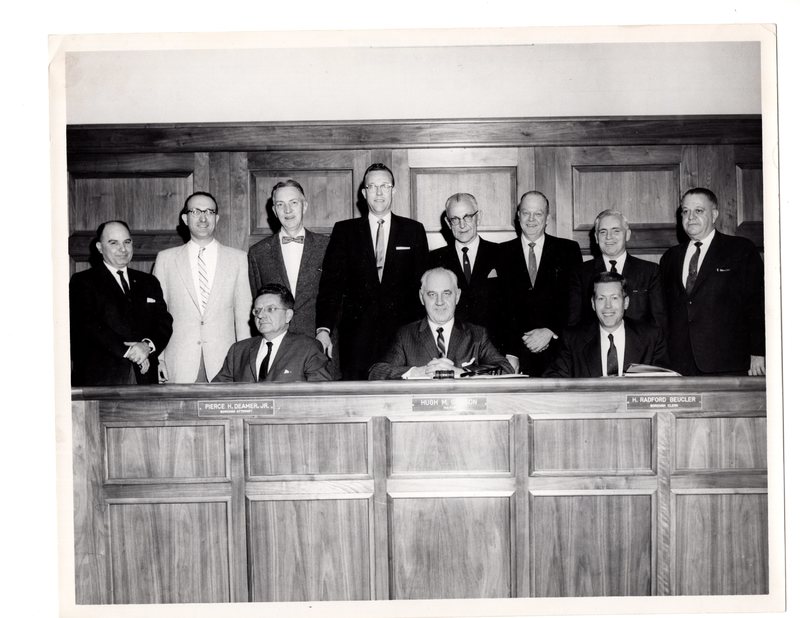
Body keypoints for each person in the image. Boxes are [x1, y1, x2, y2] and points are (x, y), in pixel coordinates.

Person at [316, 163, 429, 380]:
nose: (379, 192)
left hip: (403, 340)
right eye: (373, 186)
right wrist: (323, 329)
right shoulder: (344, 231)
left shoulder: (413, 230)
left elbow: (423, 287)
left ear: (393, 190)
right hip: (356, 340)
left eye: (384, 186)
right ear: (364, 192)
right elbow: (331, 286)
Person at [659, 188, 765, 376]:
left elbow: (757, 304)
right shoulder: (670, 258)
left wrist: (758, 352)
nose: (690, 217)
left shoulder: (740, 250)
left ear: (714, 214)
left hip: (728, 363)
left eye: (699, 211)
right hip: (680, 365)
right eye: (685, 211)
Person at [153, 192, 252, 383]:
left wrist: (244, 362)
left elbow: (243, 315)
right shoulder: (166, 259)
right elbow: (158, 315)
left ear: (217, 218)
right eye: (196, 211)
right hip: (178, 362)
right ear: (185, 218)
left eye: (209, 211)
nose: (203, 217)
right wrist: (159, 359)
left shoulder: (238, 259)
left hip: (225, 362)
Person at [70, 220, 173, 385]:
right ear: (99, 247)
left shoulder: (148, 282)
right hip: (101, 381)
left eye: (127, 242)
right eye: (113, 243)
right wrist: (131, 351)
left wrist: (147, 346)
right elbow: (89, 326)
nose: (123, 249)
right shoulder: (83, 282)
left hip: (145, 378)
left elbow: (164, 322)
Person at [368, 267, 513, 380]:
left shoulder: (477, 334)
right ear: (421, 297)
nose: (439, 301)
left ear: (457, 296)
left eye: (446, 293)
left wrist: (461, 372)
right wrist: (418, 372)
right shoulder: (406, 335)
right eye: (432, 294)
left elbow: (506, 368)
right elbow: (376, 372)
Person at [497, 191, 582, 376]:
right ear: (518, 216)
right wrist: (511, 352)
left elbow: (576, 303)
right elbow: (499, 309)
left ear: (547, 218)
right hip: (515, 357)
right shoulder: (500, 253)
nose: (531, 219)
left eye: (538, 213)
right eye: (526, 213)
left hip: (559, 354)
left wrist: (551, 330)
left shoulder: (568, 250)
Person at [544, 271, 668, 378]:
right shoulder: (573, 339)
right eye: (601, 299)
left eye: (614, 298)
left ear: (626, 302)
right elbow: (553, 381)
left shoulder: (651, 337)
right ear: (593, 304)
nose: (607, 306)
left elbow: (664, 383)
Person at [247, 180, 329, 338]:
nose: (288, 210)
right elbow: (258, 302)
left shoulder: (327, 246)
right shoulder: (258, 253)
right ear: (274, 211)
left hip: (319, 342)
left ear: (304, 206)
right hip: (278, 344)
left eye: (293, 202)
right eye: (280, 204)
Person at [567, 209, 666, 331]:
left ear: (627, 234)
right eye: (603, 232)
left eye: (616, 231)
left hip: (640, 348)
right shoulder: (580, 273)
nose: (609, 237)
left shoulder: (650, 271)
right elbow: (573, 323)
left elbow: (659, 323)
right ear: (596, 237)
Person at [428, 192, 504, 349]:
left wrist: (512, 353)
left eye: (467, 217)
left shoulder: (502, 254)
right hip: (452, 350)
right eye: (455, 220)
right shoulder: (433, 260)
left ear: (479, 217)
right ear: (448, 223)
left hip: (495, 349)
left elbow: (513, 309)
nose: (462, 225)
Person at [213, 284, 332, 382]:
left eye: (270, 309)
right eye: (257, 310)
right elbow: (214, 393)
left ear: (288, 315)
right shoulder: (238, 350)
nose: (260, 315)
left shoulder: (308, 348)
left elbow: (321, 394)